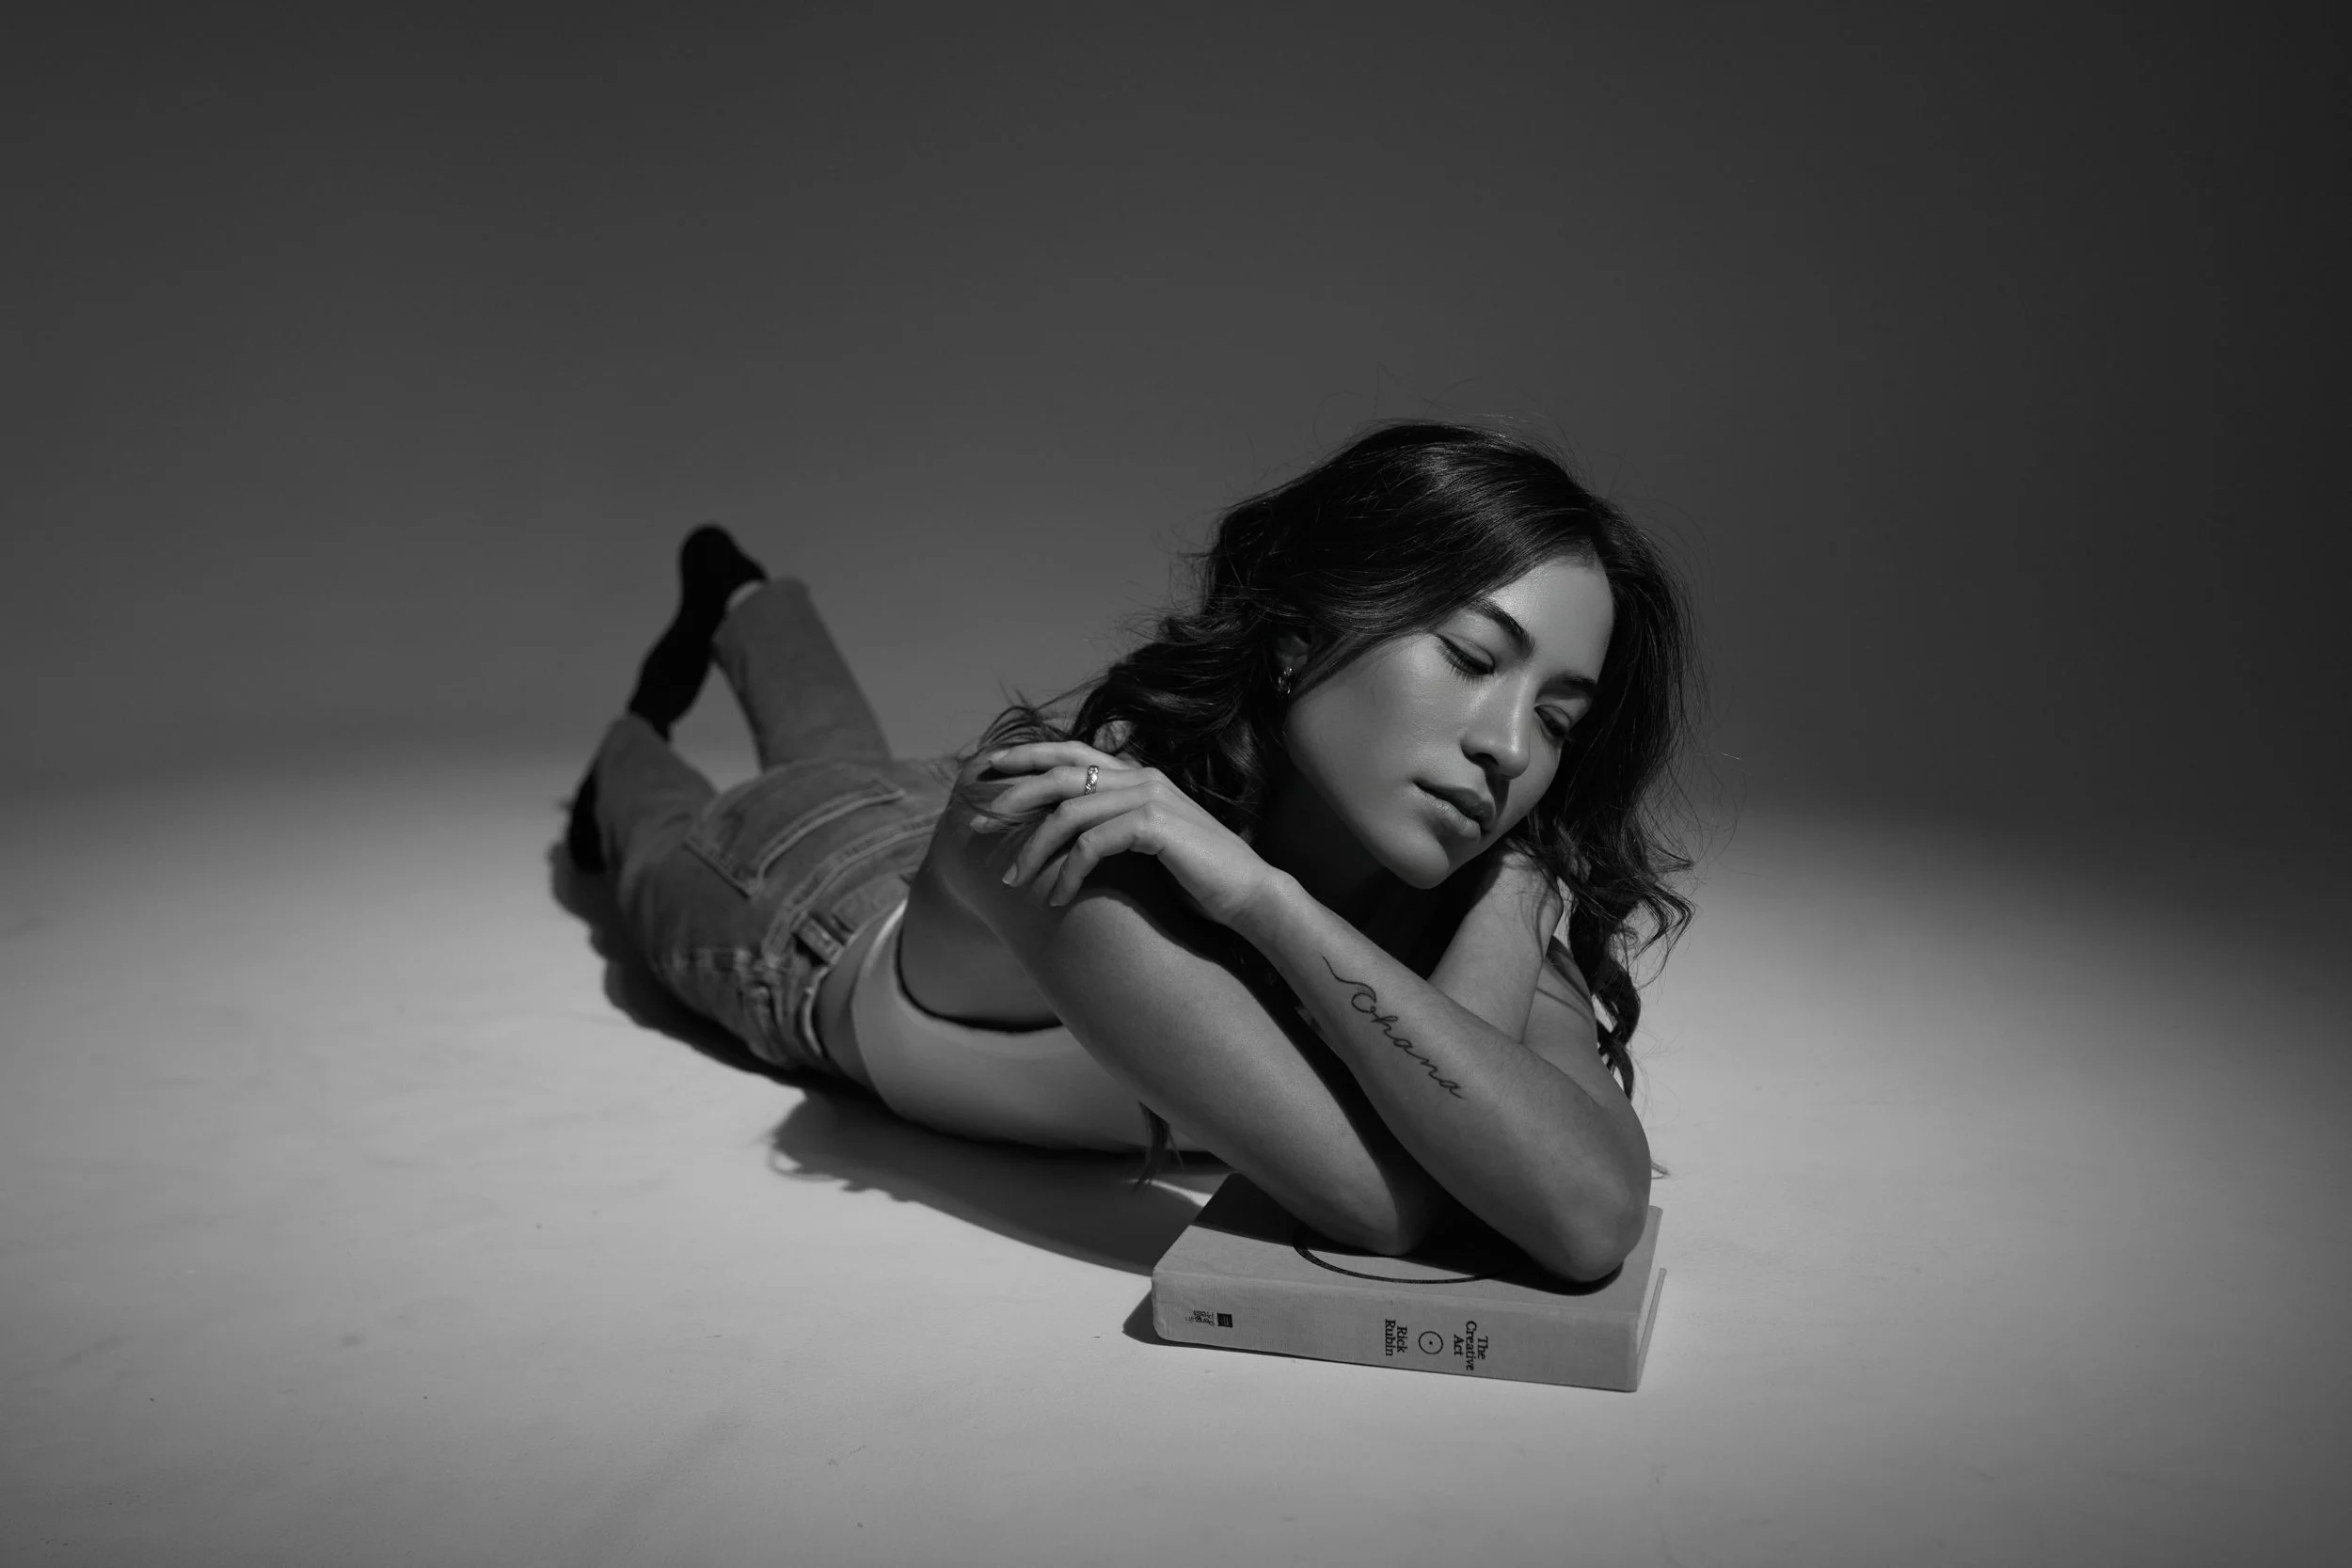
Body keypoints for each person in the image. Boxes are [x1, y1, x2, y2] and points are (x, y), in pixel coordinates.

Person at [564, 420, 1699, 1282]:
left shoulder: (1469, 880)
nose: (1509, 748)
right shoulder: (1066, 847)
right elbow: (1389, 1204)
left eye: (1558, 718)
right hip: (806, 894)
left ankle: (746, 599)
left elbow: (1588, 1214)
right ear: (1298, 637)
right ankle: (626, 745)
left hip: (1011, 836)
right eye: (1469, 658)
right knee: (653, 825)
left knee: (844, 756)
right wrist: (1275, 905)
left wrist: (1507, 889)